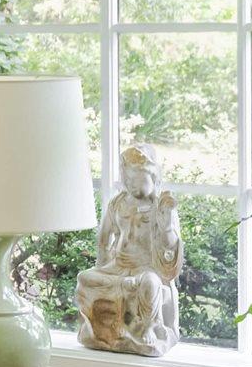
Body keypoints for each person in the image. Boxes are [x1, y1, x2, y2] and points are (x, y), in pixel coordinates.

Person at [77, 143, 182, 355]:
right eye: (126, 179)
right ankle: (101, 329)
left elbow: (170, 246)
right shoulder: (118, 203)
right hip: (117, 267)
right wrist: (103, 265)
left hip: (145, 268)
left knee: (151, 284)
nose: (130, 184)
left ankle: (147, 327)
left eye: (135, 179)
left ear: (153, 177)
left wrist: (167, 224)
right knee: (85, 278)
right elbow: (104, 239)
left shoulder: (160, 207)